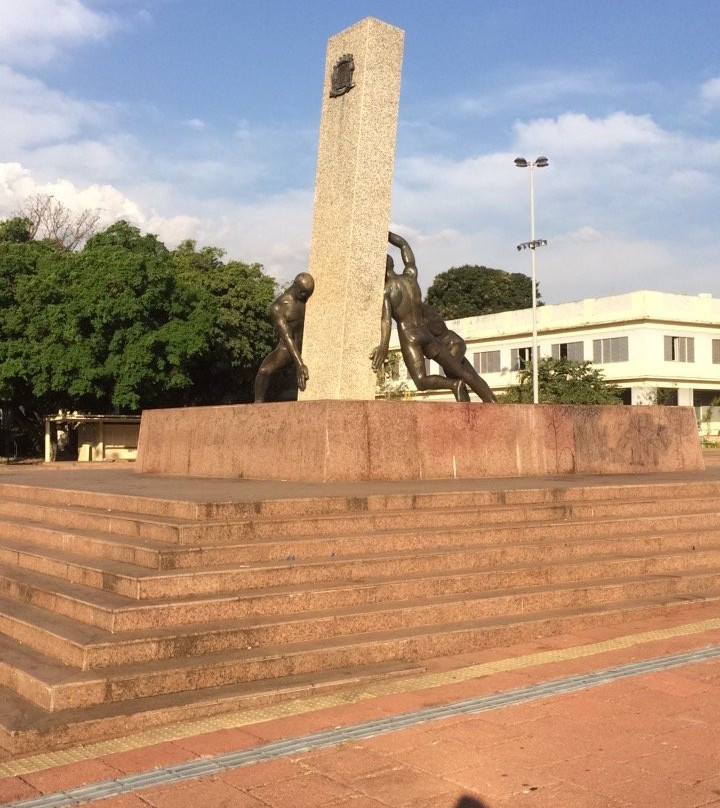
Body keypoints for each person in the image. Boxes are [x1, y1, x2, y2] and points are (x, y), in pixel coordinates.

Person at [371, 233, 497, 403]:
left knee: (421, 381)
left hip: (410, 337)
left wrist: (383, 347)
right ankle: (491, 401)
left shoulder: (387, 291)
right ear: (393, 265)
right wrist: (387, 234)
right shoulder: (411, 277)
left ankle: (453, 385)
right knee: (460, 369)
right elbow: (404, 246)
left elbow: (386, 320)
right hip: (426, 334)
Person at [254, 272, 314, 403]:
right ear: (295, 285)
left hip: (308, 344)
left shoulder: (307, 298)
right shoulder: (278, 307)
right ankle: (257, 406)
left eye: (308, 294)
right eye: (303, 292)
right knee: (264, 371)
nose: (305, 296)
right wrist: (299, 364)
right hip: (288, 349)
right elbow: (287, 338)